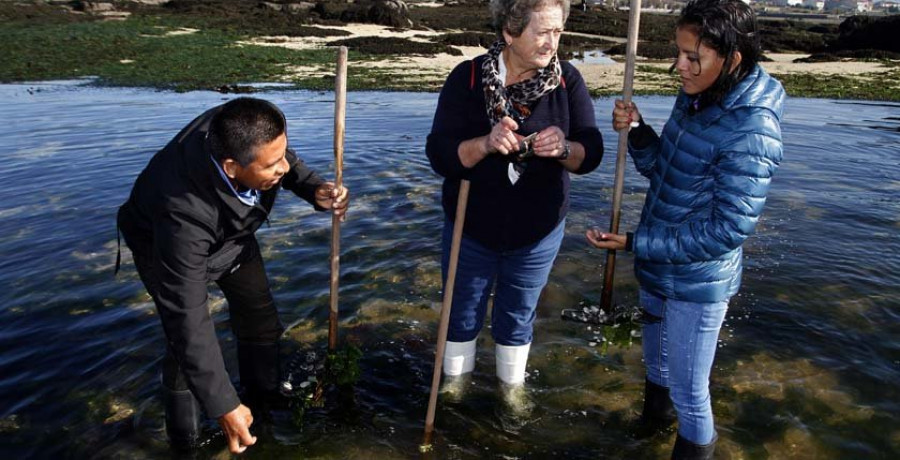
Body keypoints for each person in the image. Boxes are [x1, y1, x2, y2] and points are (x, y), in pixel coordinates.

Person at [586, 0, 784, 458]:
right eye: (678, 52)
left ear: (732, 59)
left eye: (692, 57)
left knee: (691, 397)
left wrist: (635, 243)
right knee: (656, 369)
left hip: (697, 282)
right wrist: (637, 131)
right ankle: (648, 434)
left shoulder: (753, 128)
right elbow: (665, 170)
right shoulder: (696, 95)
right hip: (659, 265)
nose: (679, 66)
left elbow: (727, 230)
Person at [117, 98, 349, 454]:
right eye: (274, 165)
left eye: (283, 155)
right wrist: (223, 404)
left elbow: (280, 156)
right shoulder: (181, 215)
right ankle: (186, 440)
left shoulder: (241, 127)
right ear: (230, 167)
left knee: (260, 316)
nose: (284, 167)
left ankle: (263, 402)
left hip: (234, 238)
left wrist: (312, 188)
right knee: (185, 342)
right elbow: (188, 318)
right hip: (161, 246)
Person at [426, 0, 603, 402]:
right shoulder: (467, 79)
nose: (551, 42)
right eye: (542, 31)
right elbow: (439, 154)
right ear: (509, 31)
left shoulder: (567, 81)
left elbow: (591, 153)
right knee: (461, 313)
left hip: (537, 231)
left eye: (557, 32)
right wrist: (485, 144)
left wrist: (564, 147)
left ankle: (511, 394)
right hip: (471, 227)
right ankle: (454, 389)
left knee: (517, 314)